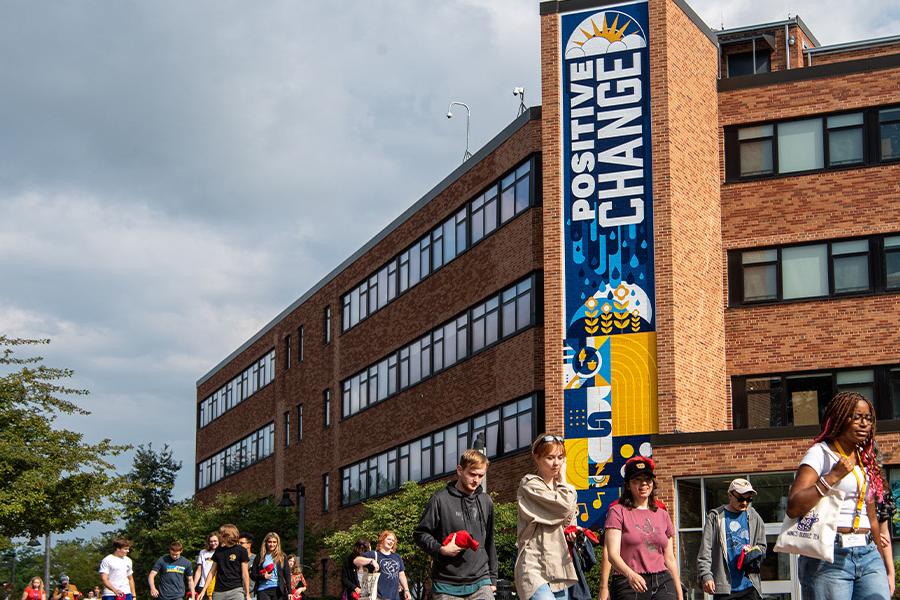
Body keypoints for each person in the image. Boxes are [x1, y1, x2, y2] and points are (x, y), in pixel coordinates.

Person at [786, 391, 890, 600]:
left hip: (867, 553)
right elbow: (794, 507)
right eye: (856, 416)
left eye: (868, 418)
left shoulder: (864, 459)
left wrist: (885, 564)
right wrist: (832, 476)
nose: (864, 423)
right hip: (829, 554)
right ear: (840, 418)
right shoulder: (820, 453)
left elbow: (871, 516)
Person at [414, 449, 497, 600]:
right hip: (446, 584)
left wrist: (493, 578)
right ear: (460, 470)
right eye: (472, 474)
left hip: (481, 581)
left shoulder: (486, 501)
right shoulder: (439, 499)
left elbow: (490, 540)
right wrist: (441, 549)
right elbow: (420, 534)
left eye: (481, 476)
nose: (476, 480)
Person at [603, 457, 683, 600]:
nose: (644, 484)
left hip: (663, 581)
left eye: (647, 479)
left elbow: (670, 558)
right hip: (629, 582)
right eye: (637, 480)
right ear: (628, 485)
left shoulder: (662, 514)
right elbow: (612, 555)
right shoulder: (617, 512)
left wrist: (679, 593)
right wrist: (630, 575)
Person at [514, 434, 579, 600]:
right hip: (534, 564)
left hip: (559, 565)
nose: (556, 463)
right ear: (537, 458)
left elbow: (568, 521)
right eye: (550, 458)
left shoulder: (564, 490)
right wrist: (564, 480)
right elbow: (563, 507)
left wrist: (572, 532)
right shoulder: (530, 484)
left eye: (560, 457)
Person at [696, 478, 767, 600]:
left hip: (750, 586)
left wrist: (754, 553)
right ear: (730, 495)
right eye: (740, 498)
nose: (744, 503)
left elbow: (762, 546)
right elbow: (705, 552)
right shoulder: (715, 517)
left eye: (748, 499)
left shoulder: (754, 516)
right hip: (725, 590)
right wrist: (706, 575)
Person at [198, 524, 251, 600]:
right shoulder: (219, 551)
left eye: (221, 534)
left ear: (228, 536)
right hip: (218, 592)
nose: (219, 536)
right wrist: (203, 591)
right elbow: (212, 572)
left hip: (236, 591)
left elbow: (245, 573)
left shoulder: (241, 550)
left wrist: (247, 594)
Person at [363, 531, 411, 600]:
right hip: (378, 597)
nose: (391, 541)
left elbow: (401, 574)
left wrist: (406, 590)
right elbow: (358, 559)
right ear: (382, 540)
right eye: (389, 539)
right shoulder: (374, 554)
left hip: (395, 597)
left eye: (393, 540)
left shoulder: (397, 557)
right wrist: (371, 561)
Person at [249, 533, 290, 600]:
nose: (272, 544)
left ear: (277, 543)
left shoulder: (282, 556)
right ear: (266, 542)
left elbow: (287, 574)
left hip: (278, 590)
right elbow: (252, 575)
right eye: (269, 542)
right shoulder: (260, 556)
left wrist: (290, 592)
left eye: (274, 542)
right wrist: (262, 576)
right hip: (263, 590)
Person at [194, 533, 220, 599]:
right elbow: (199, 571)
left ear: (219, 541)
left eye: (215, 541)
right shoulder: (203, 552)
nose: (213, 543)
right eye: (211, 541)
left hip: (217, 586)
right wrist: (193, 586)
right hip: (203, 585)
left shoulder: (223, 552)